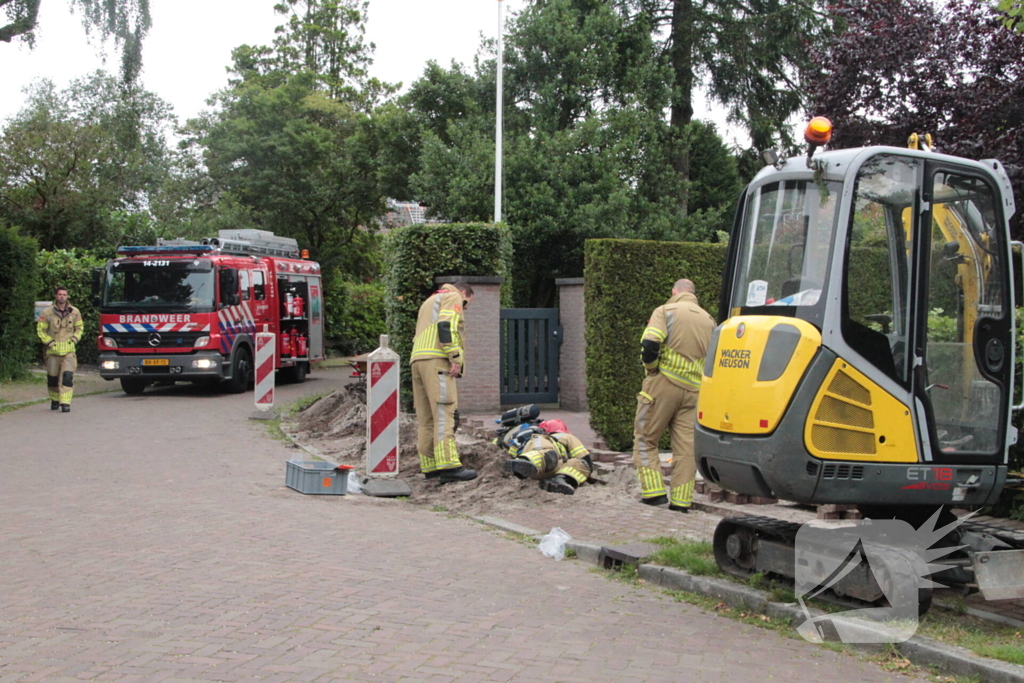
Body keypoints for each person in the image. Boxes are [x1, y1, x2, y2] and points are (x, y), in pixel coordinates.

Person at [632, 279, 715, 511]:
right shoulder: (709, 320)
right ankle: (681, 501)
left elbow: (649, 344)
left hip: (663, 383)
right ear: (693, 294)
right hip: (694, 391)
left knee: (645, 437)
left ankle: (653, 492)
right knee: (686, 448)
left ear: (674, 292)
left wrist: (652, 369)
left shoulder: (665, 311)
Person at [410, 282, 478, 483]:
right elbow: (445, 325)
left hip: (418, 361)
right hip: (437, 361)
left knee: (426, 418)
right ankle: (449, 467)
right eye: (466, 304)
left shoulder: (430, 301)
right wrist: (454, 356)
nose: (464, 308)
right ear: (463, 292)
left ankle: (430, 467)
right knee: (444, 414)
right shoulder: (453, 296)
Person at [501, 419, 593, 495]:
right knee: (580, 464)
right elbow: (585, 460)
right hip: (548, 465)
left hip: (534, 471)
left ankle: (524, 463)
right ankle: (562, 479)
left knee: (547, 457)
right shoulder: (566, 436)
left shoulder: (529, 438)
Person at [36, 286, 84, 413]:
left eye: (64, 294)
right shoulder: (47, 313)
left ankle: (65, 402)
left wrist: (74, 339)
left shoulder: (75, 312)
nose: (62, 296)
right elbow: (41, 330)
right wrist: (49, 342)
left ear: (67, 296)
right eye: (60, 294)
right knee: (52, 378)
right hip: (52, 351)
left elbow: (79, 328)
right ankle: (55, 399)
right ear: (56, 296)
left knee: (67, 376)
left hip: (68, 351)